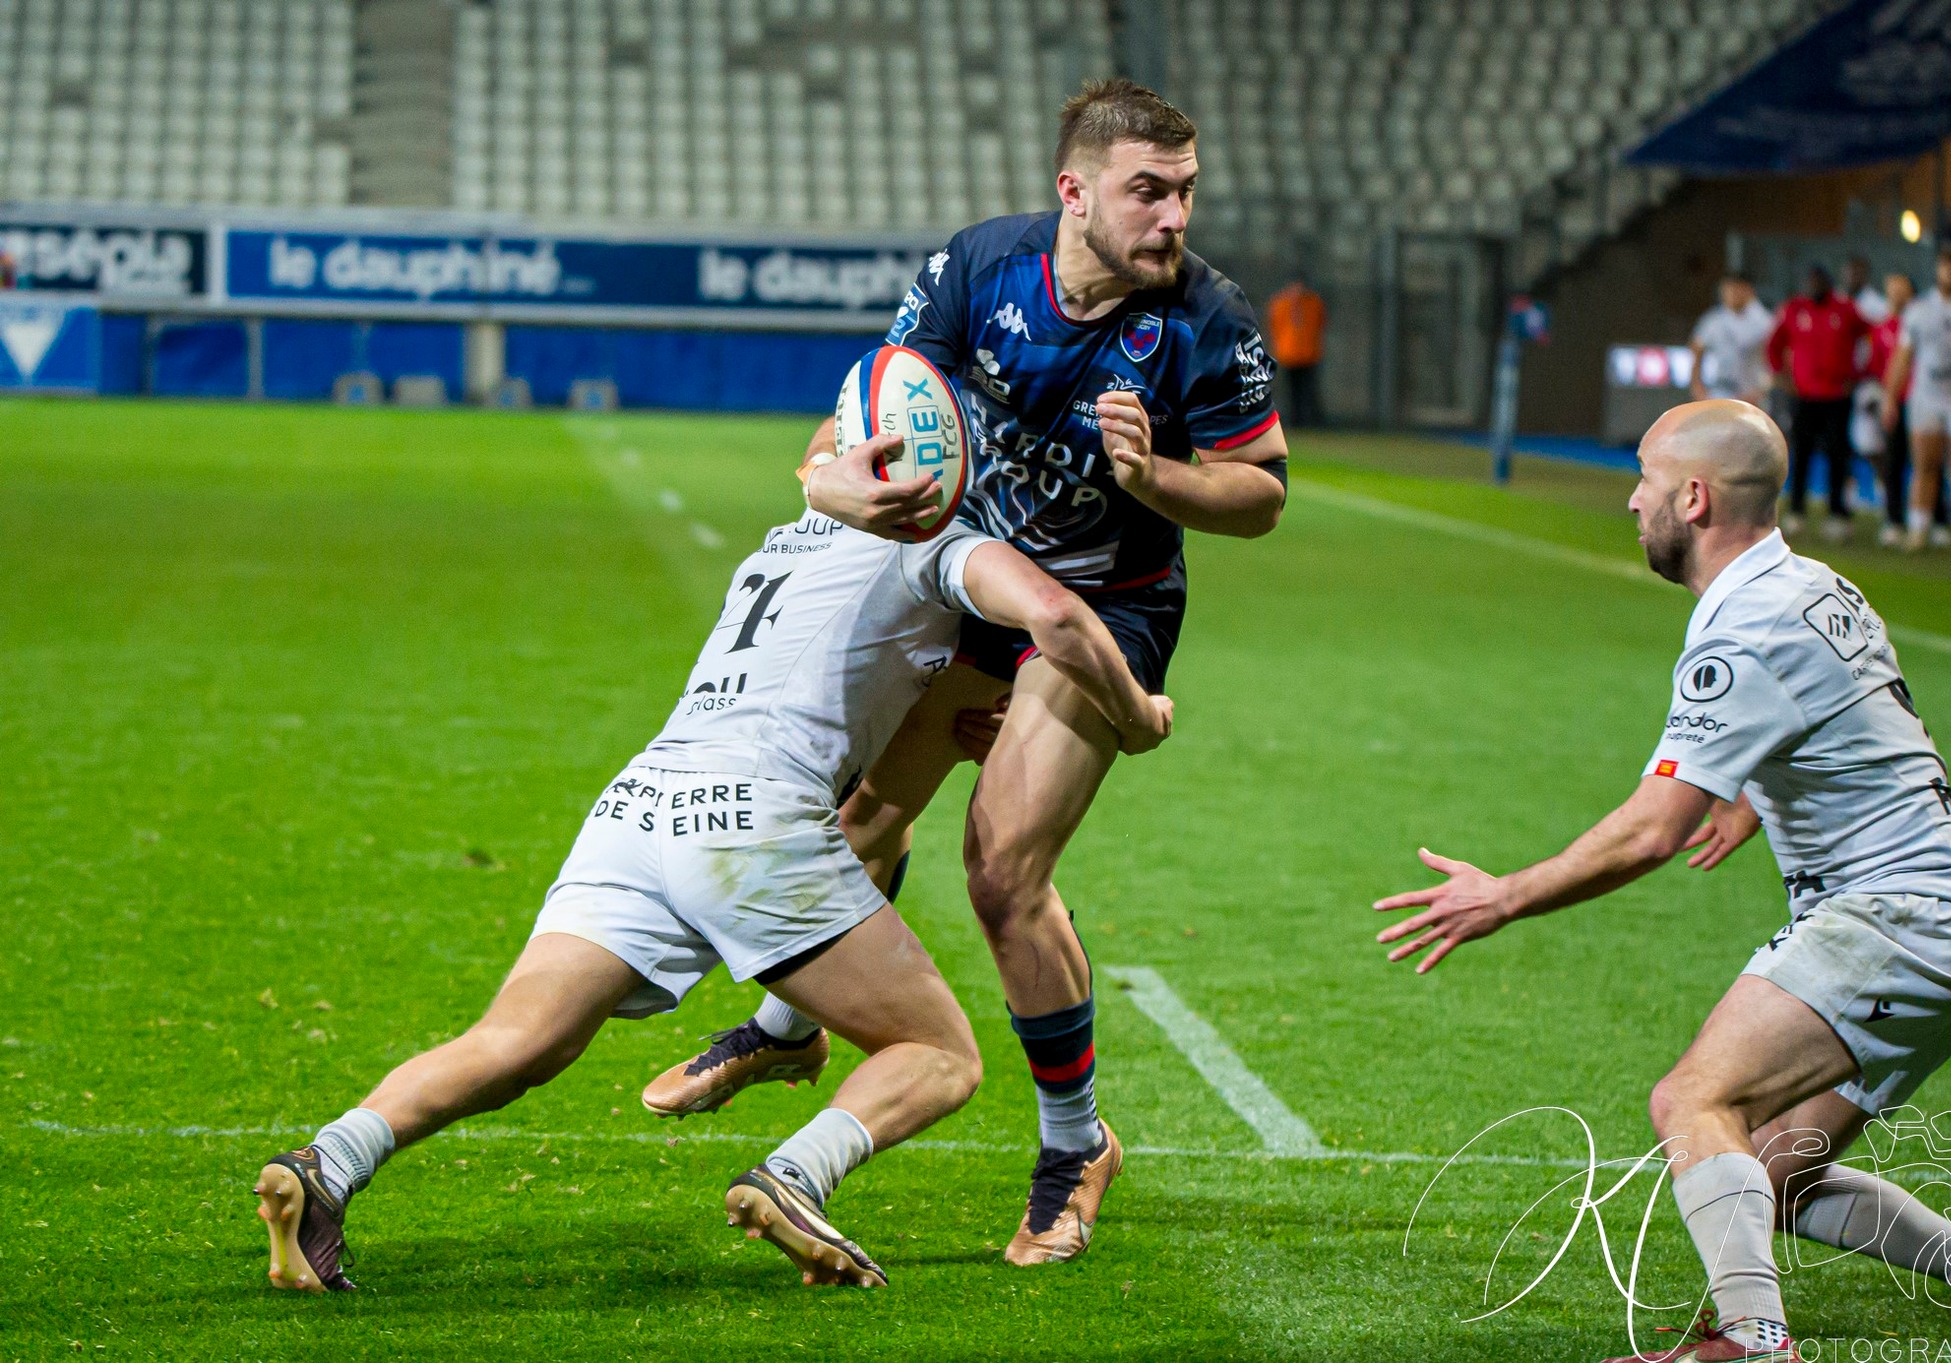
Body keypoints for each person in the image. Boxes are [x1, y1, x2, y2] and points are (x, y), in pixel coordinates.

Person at [643, 78, 1289, 1267]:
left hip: (1106, 605)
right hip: (968, 577)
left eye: (1186, 192)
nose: (1172, 217)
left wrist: (1154, 480)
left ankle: (1074, 1145)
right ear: (1073, 191)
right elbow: (865, 412)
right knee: (857, 820)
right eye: (1147, 191)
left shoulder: (1208, 319)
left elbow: (1260, 493)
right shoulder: (979, 268)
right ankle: (790, 1027)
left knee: (999, 869)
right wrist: (831, 481)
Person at [251, 501, 1175, 1293]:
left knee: (515, 1041)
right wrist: (1137, 714)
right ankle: (796, 1173)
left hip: (636, 802)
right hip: (746, 821)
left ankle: (331, 1158)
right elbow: (1055, 613)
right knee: (939, 1053)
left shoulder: (791, 532)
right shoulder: (942, 541)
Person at [1373, 400, 1951, 1360]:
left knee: (1692, 1101)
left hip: (1892, 924)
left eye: (1643, 478)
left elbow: (1653, 829)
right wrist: (1757, 794)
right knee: (1771, 1173)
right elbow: (1861, 723)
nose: (1631, 500)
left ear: (1692, 498)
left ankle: (1752, 1341)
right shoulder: (1817, 585)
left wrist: (1506, 893)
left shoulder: (1745, 627)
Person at [1884, 246, 1951, 553]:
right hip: (1927, 397)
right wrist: (1890, 397)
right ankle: (1918, 528)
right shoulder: (1919, 310)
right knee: (1925, 463)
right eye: (1946, 266)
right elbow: (1903, 356)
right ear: (1938, 269)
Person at [1767, 265, 1870, 541]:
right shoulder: (1794, 309)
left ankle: (1837, 512)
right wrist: (1781, 376)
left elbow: (1870, 338)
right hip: (1803, 395)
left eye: (1819, 282)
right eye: (1811, 282)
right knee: (1800, 452)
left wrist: (1858, 375)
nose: (1815, 286)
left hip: (1837, 395)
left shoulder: (1846, 310)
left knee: (1838, 454)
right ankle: (1796, 510)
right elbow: (1774, 344)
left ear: (1829, 284)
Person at [1864, 274, 1917, 547]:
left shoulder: (1918, 324)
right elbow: (1876, 366)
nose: (1896, 294)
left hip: (1921, 402)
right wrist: (1886, 399)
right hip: (1894, 402)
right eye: (1892, 289)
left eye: (1901, 289)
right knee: (1893, 461)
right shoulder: (1881, 329)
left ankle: (1936, 519)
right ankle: (1894, 520)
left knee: (1926, 461)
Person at [1689, 273, 1773, 405]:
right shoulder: (1713, 320)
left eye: (1736, 289)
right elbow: (1697, 349)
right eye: (1727, 290)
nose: (1732, 294)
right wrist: (1697, 388)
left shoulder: (1763, 321)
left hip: (1750, 393)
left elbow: (1774, 358)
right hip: (1719, 391)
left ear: (1748, 290)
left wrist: (1761, 391)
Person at [1266, 275, 1327, 428]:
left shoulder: (1311, 303)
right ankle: (1296, 420)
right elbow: (1275, 325)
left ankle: (1308, 420)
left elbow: (1319, 323)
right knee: (1293, 390)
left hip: (1307, 354)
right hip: (1290, 354)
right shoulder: (1282, 303)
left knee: (1307, 390)